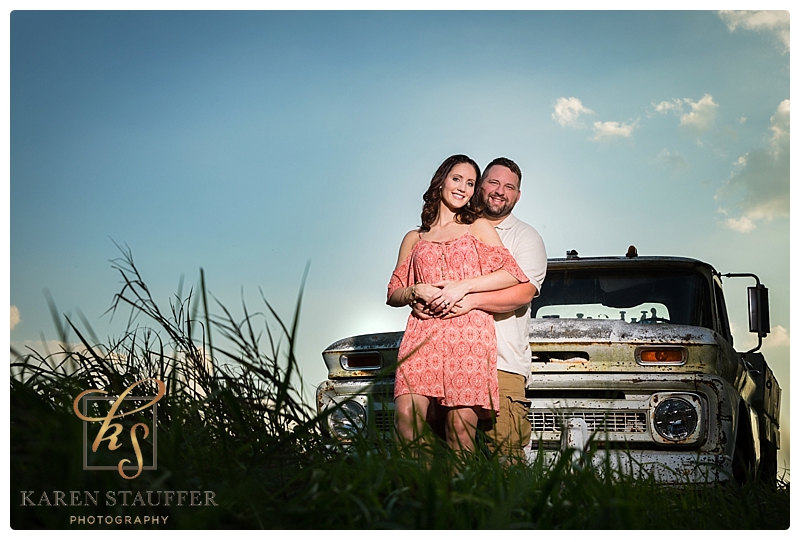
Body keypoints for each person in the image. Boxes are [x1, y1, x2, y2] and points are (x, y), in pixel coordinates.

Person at [387, 154, 530, 455]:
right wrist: (415, 291)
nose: (463, 188)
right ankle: (418, 496)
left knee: (459, 431)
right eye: (457, 179)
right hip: (421, 335)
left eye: (470, 183)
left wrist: (462, 288)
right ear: (440, 182)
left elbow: (511, 274)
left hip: (468, 335)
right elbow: (392, 293)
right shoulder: (414, 237)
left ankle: (459, 500)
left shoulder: (477, 227)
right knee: (405, 419)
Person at [415, 157, 547, 461]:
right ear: (479, 186)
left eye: (509, 187)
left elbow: (523, 292)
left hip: (502, 362)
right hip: (446, 359)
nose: (500, 191)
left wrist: (469, 298)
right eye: (493, 182)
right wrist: (416, 297)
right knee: (446, 456)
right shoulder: (447, 232)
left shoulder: (525, 237)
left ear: (518, 195)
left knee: (504, 458)